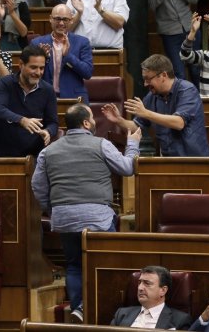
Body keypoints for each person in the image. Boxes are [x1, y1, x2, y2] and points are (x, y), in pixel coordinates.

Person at [32, 103, 141, 323]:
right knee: (104, 263)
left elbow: (38, 186)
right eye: (92, 118)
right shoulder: (101, 144)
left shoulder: (48, 150)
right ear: (85, 123)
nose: (94, 122)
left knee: (73, 265)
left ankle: (77, 308)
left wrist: (53, 209)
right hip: (96, 218)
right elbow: (127, 168)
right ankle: (98, 310)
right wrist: (132, 145)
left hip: (64, 218)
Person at [102, 54, 209, 156]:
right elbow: (137, 127)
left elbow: (179, 123)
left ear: (163, 75)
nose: (145, 84)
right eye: (144, 80)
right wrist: (119, 120)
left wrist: (146, 113)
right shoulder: (152, 97)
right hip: (167, 161)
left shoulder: (187, 90)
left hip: (194, 160)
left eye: (148, 79)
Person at [0, 45, 58, 157]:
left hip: (35, 154)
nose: (38, 72)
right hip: (5, 152)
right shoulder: (6, 83)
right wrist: (22, 120)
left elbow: (53, 123)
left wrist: (48, 132)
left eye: (41, 68)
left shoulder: (48, 90)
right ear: (21, 65)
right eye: (33, 67)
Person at [30, 4, 93, 101]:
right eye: (57, 19)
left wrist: (68, 56)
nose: (61, 23)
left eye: (65, 19)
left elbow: (87, 73)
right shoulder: (37, 43)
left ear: (71, 20)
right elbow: (29, 73)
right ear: (50, 19)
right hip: (44, 98)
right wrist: (42, 58)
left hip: (74, 98)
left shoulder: (82, 42)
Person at [111, 266, 193, 329]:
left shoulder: (180, 320)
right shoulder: (121, 314)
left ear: (163, 290)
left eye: (147, 283)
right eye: (139, 282)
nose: (140, 288)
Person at [148, 0, 198, 81]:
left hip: (190, 27)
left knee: (196, 70)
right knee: (179, 73)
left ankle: (199, 95)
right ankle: (183, 95)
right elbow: (152, 4)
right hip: (170, 33)